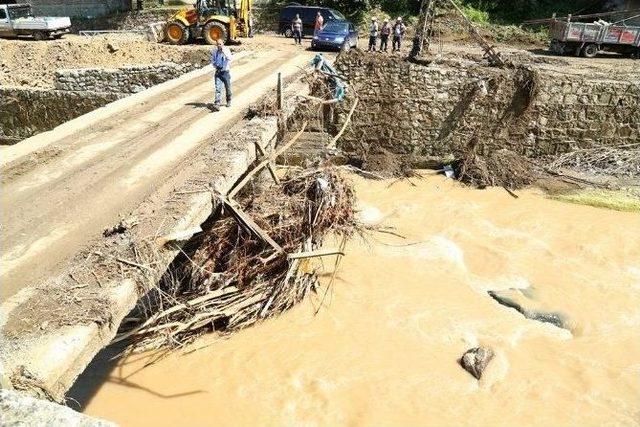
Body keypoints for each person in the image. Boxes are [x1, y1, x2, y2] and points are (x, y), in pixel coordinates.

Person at [211, 39, 233, 110]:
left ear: (223, 44)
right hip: (218, 72)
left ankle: (228, 100)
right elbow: (212, 60)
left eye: (220, 44)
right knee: (218, 88)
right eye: (217, 44)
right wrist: (215, 65)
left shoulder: (226, 50)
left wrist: (224, 52)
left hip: (225, 72)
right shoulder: (215, 52)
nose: (218, 46)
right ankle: (217, 103)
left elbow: (230, 58)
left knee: (228, 87)